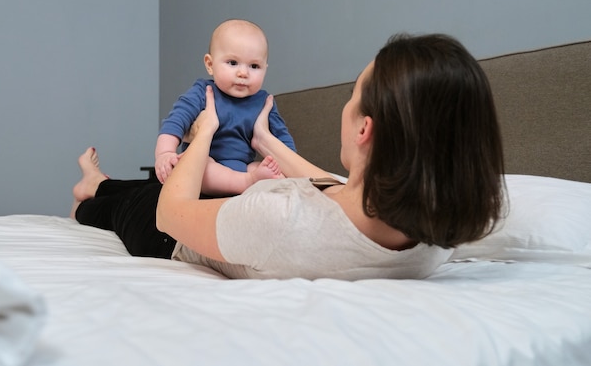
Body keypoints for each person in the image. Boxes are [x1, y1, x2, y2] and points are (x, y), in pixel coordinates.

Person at [72, 33, 506, 280]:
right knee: (144, 184)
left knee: (131, 203)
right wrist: (264, 138)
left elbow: (170, 213)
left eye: (352, 96)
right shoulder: (429, 234)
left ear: (364, 129)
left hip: (173, 233)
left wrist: (203, 133)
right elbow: (337, 187)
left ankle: (90, 194)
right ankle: (99, 181)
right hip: (224, 205)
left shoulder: (281, 220)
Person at [156, 19, 295, 196]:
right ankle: (248, 183)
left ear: (265, 69)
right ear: (210, 64)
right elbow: (176, 121)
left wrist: (286, 168)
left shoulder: (263, 102)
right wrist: (165, 153)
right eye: (232, 63)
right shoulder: (203, 92)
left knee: (268, 168)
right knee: (200, 166)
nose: (243, 73)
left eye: (254, 66)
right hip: (209, 167)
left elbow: (283, 140)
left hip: (244, 168)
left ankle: (250, 181)